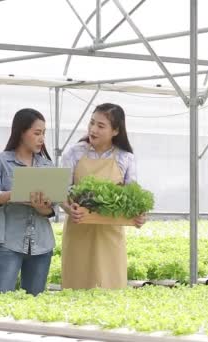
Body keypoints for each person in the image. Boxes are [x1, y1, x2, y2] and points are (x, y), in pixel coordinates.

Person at [60, 103, 146, 290]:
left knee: (110, 288)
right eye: (92, 123)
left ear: (115, 131)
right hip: (78, 232)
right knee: (76, 287)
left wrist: (139, 215)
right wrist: (68, 208)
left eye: (100, 126)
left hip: (110, 235)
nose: (93, 129)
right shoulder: (73, 153)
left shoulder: (125, 158)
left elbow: (133, 196)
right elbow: (61, 192)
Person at [0, 108, 55, 295]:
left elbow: (53, 209)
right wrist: (14, 195)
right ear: (21, 132)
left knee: (33, 306)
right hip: (8, 243)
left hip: (41, 245)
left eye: (44, 133)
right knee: (0, 301)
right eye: (37, 133)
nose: (41, 139)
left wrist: (43, 208)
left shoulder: (47, 165)